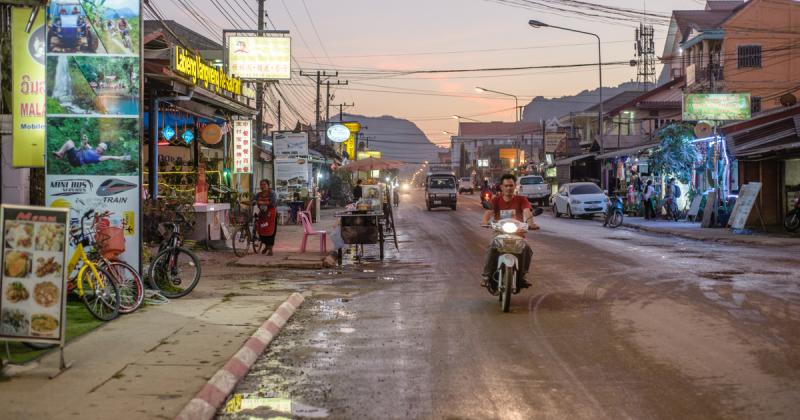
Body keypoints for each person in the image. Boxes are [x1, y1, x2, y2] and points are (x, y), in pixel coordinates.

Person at [480, 174, 539, 288]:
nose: (509, 188)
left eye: (511, 185)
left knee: (527, 248)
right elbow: (488, 213)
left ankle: (523, 275)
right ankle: (486, 276)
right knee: (492, 246)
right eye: (506, 186)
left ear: (515, 186)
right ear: (501, 187)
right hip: (499, 233)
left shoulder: (522, 199)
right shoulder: (496, 200)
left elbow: (527, 212)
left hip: (517, 233)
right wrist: (485, 222)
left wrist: (531, 223)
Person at [52, 135, 131, 167]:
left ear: (102, 151)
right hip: (76, 155)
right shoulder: (91, 149)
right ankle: (61, 154)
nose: (99, 148)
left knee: (70, 143)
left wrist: (124, 157)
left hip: (76, 160)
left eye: (101, 148)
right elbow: (85, 144)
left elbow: (112, 157)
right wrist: (85, 140)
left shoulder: (99, 157)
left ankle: (61, 154)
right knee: (70, 142)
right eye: (99, 146)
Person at [254, 179, 278, 255]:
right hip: (262, 215)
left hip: (271, 215)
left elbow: (273, 203)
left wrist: (262, 202)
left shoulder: (272, 193)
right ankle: (266, 246)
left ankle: (270, 249)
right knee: (262, 230)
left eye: (264, 184)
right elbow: (254, 200)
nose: (262, 186)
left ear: (268, 185)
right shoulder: (258, 194)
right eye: (261, 184)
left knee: (271, 232)